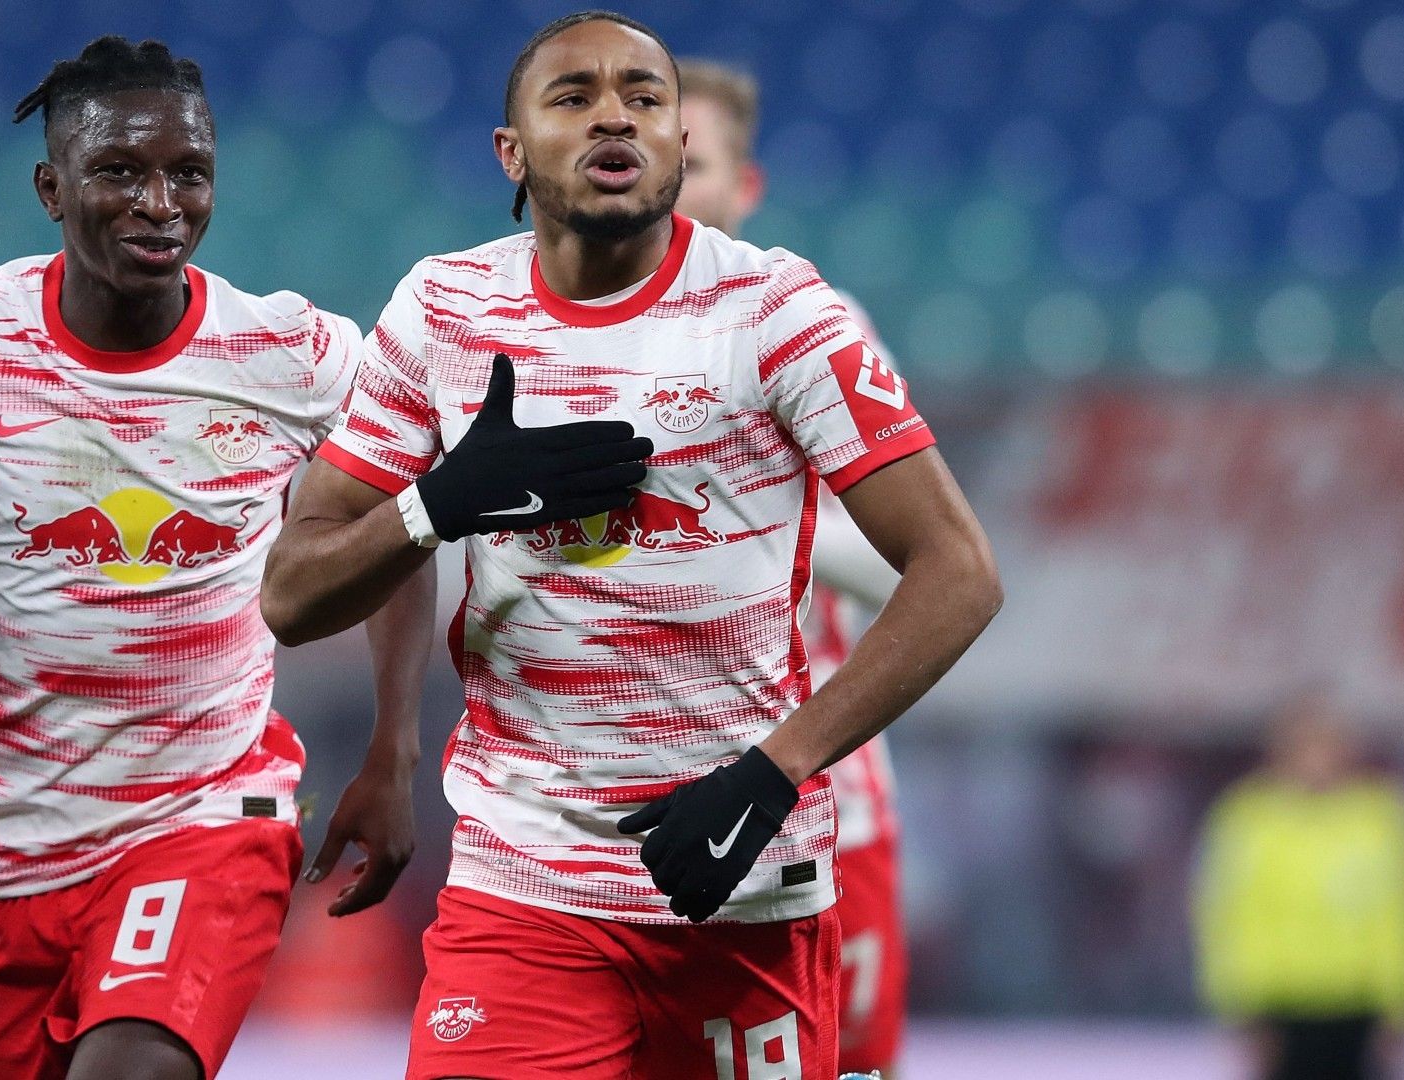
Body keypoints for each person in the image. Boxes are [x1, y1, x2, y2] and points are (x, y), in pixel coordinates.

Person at [261, 11, 1001, 1079]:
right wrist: (438, 505)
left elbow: (960, 573)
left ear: (681, 145)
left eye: (645, 98)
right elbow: (291, 594)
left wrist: (774, 771)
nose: (615, 114)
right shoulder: (444, 313)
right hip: (525, 893)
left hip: (742, 891)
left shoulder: (778, 310)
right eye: (573, 96)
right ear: (511, 152)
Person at [0, 36, 433, 1080]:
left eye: (189, 173)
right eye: (121, 171)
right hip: (11, 850)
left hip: (213, 811)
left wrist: (394, 752)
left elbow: (402, 523)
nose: (160, 201)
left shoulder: (295, 352)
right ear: (50, 187)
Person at [676, 58, 910, 1079]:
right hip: (615, 816)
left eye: (691, 163)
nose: (661, 184)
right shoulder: (546, 334)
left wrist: (765, 511)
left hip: (822, 803)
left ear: (745, 187)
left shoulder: (814, 325)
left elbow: (921, 568)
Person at [1193, 691, 1404, 1080]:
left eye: (1326, 743)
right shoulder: (1248, 819)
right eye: (1305, 743)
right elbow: (1228, 918)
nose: (1317, 757)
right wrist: (1240, 1008)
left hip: (1362, 1007)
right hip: (1280, 1007)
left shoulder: (1379, 819)